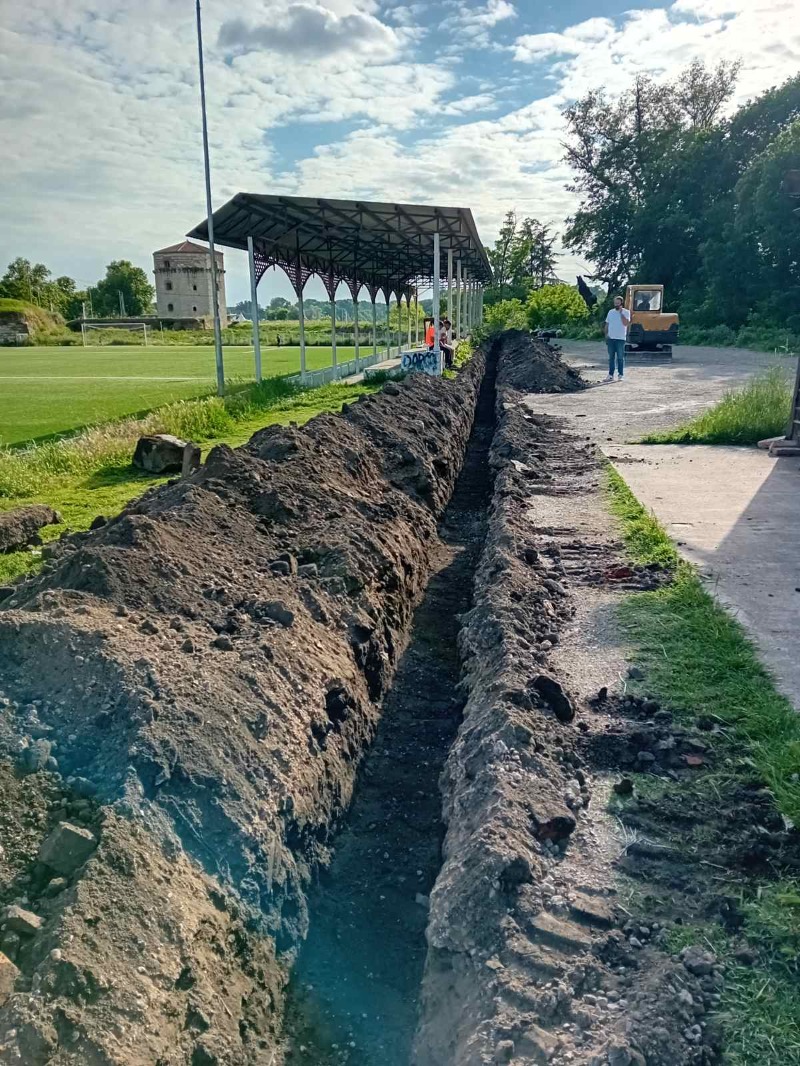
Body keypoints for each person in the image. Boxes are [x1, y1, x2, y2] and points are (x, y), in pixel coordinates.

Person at [604, 295, 630, 381]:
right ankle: (610, 375)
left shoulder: (626, 312)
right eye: (615, 303)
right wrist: (606, 334)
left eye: (618, 303)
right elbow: (607, 324)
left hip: (620, 338)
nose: (616, 305)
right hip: (611, 338)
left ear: (621, 303)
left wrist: (621, 313)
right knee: (611, 357)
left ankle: (620, 375)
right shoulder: (610, 312)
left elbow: (626, 323)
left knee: (620, 357)